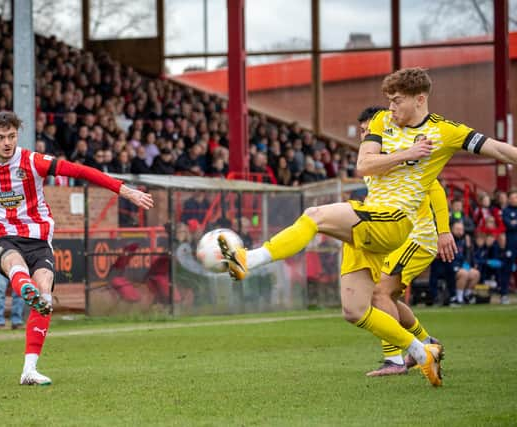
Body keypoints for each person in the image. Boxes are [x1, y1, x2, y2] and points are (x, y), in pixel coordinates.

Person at [217, 67, 517, 387]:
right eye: (388, 100)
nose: (391, 107)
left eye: (397, 101)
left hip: (395, 221)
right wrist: (407, 154)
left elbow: (498, 149)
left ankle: (250, 260)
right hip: (371, 219)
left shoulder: (445, 131)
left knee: (315, 215)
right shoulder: (380, 122)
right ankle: (421, 351)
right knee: (356, 310)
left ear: (420, 99)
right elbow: (364, 165)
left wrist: (442, 225)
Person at [0, 111, 154, 385]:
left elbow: (79, 171)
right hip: (3, 237)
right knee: (15, 266)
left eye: (11, 136)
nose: (7, 142)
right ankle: (26, 289)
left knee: (44, 289)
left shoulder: (33, 161)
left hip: (38, 239)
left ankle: (29, 370)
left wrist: (123, 190)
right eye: (0, 138)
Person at [355, 106, 452, 377]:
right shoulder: (374, 159)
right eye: (363, 131)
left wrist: (443, 231)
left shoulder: (403, 154)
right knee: (389, 297)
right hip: (395, 238)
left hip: (417, 236)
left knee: (379, 293)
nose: (365, 135)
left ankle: (394, 360)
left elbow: (435, 188)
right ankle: (426, 343)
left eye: (368, 130)